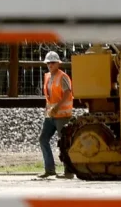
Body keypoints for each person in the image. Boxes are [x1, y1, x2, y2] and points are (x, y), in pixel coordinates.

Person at [38, 51, 75, 179]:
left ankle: (68, 171)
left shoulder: (63, 76)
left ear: (58, 63)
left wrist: (57, 107)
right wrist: (48, 110)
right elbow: (49, 97)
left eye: (53, 62)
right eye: (48, 63)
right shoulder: (47, 77)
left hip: (62, 115)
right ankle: (50, 170)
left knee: (64, 142)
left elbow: (67, 94)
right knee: (43, 139)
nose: (50, 65)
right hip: (51, 115)